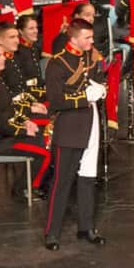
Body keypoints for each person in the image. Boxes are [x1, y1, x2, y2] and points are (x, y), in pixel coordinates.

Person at [44, 19, 107, 251]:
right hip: (69, 128)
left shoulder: (91, 58)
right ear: (73, 38)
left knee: (88, 179)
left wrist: (101, 88)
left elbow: (98, 79)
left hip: (91, 125)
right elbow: (56, 101)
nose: (92, 41)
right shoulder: (57, 63)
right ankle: (52, 232)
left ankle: (86, 227)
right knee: (62, 182)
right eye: (87, 38)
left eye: (92, 37)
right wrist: (85, 97)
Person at [0, 43, 51, 201]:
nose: (4, 58)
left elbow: (9, 109)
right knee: (45, 150)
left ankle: (32, 185)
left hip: (8, 133)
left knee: (46, 140)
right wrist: (22, 129)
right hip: (3, 139)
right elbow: (0, 121)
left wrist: (26, 121)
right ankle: (25, 189)